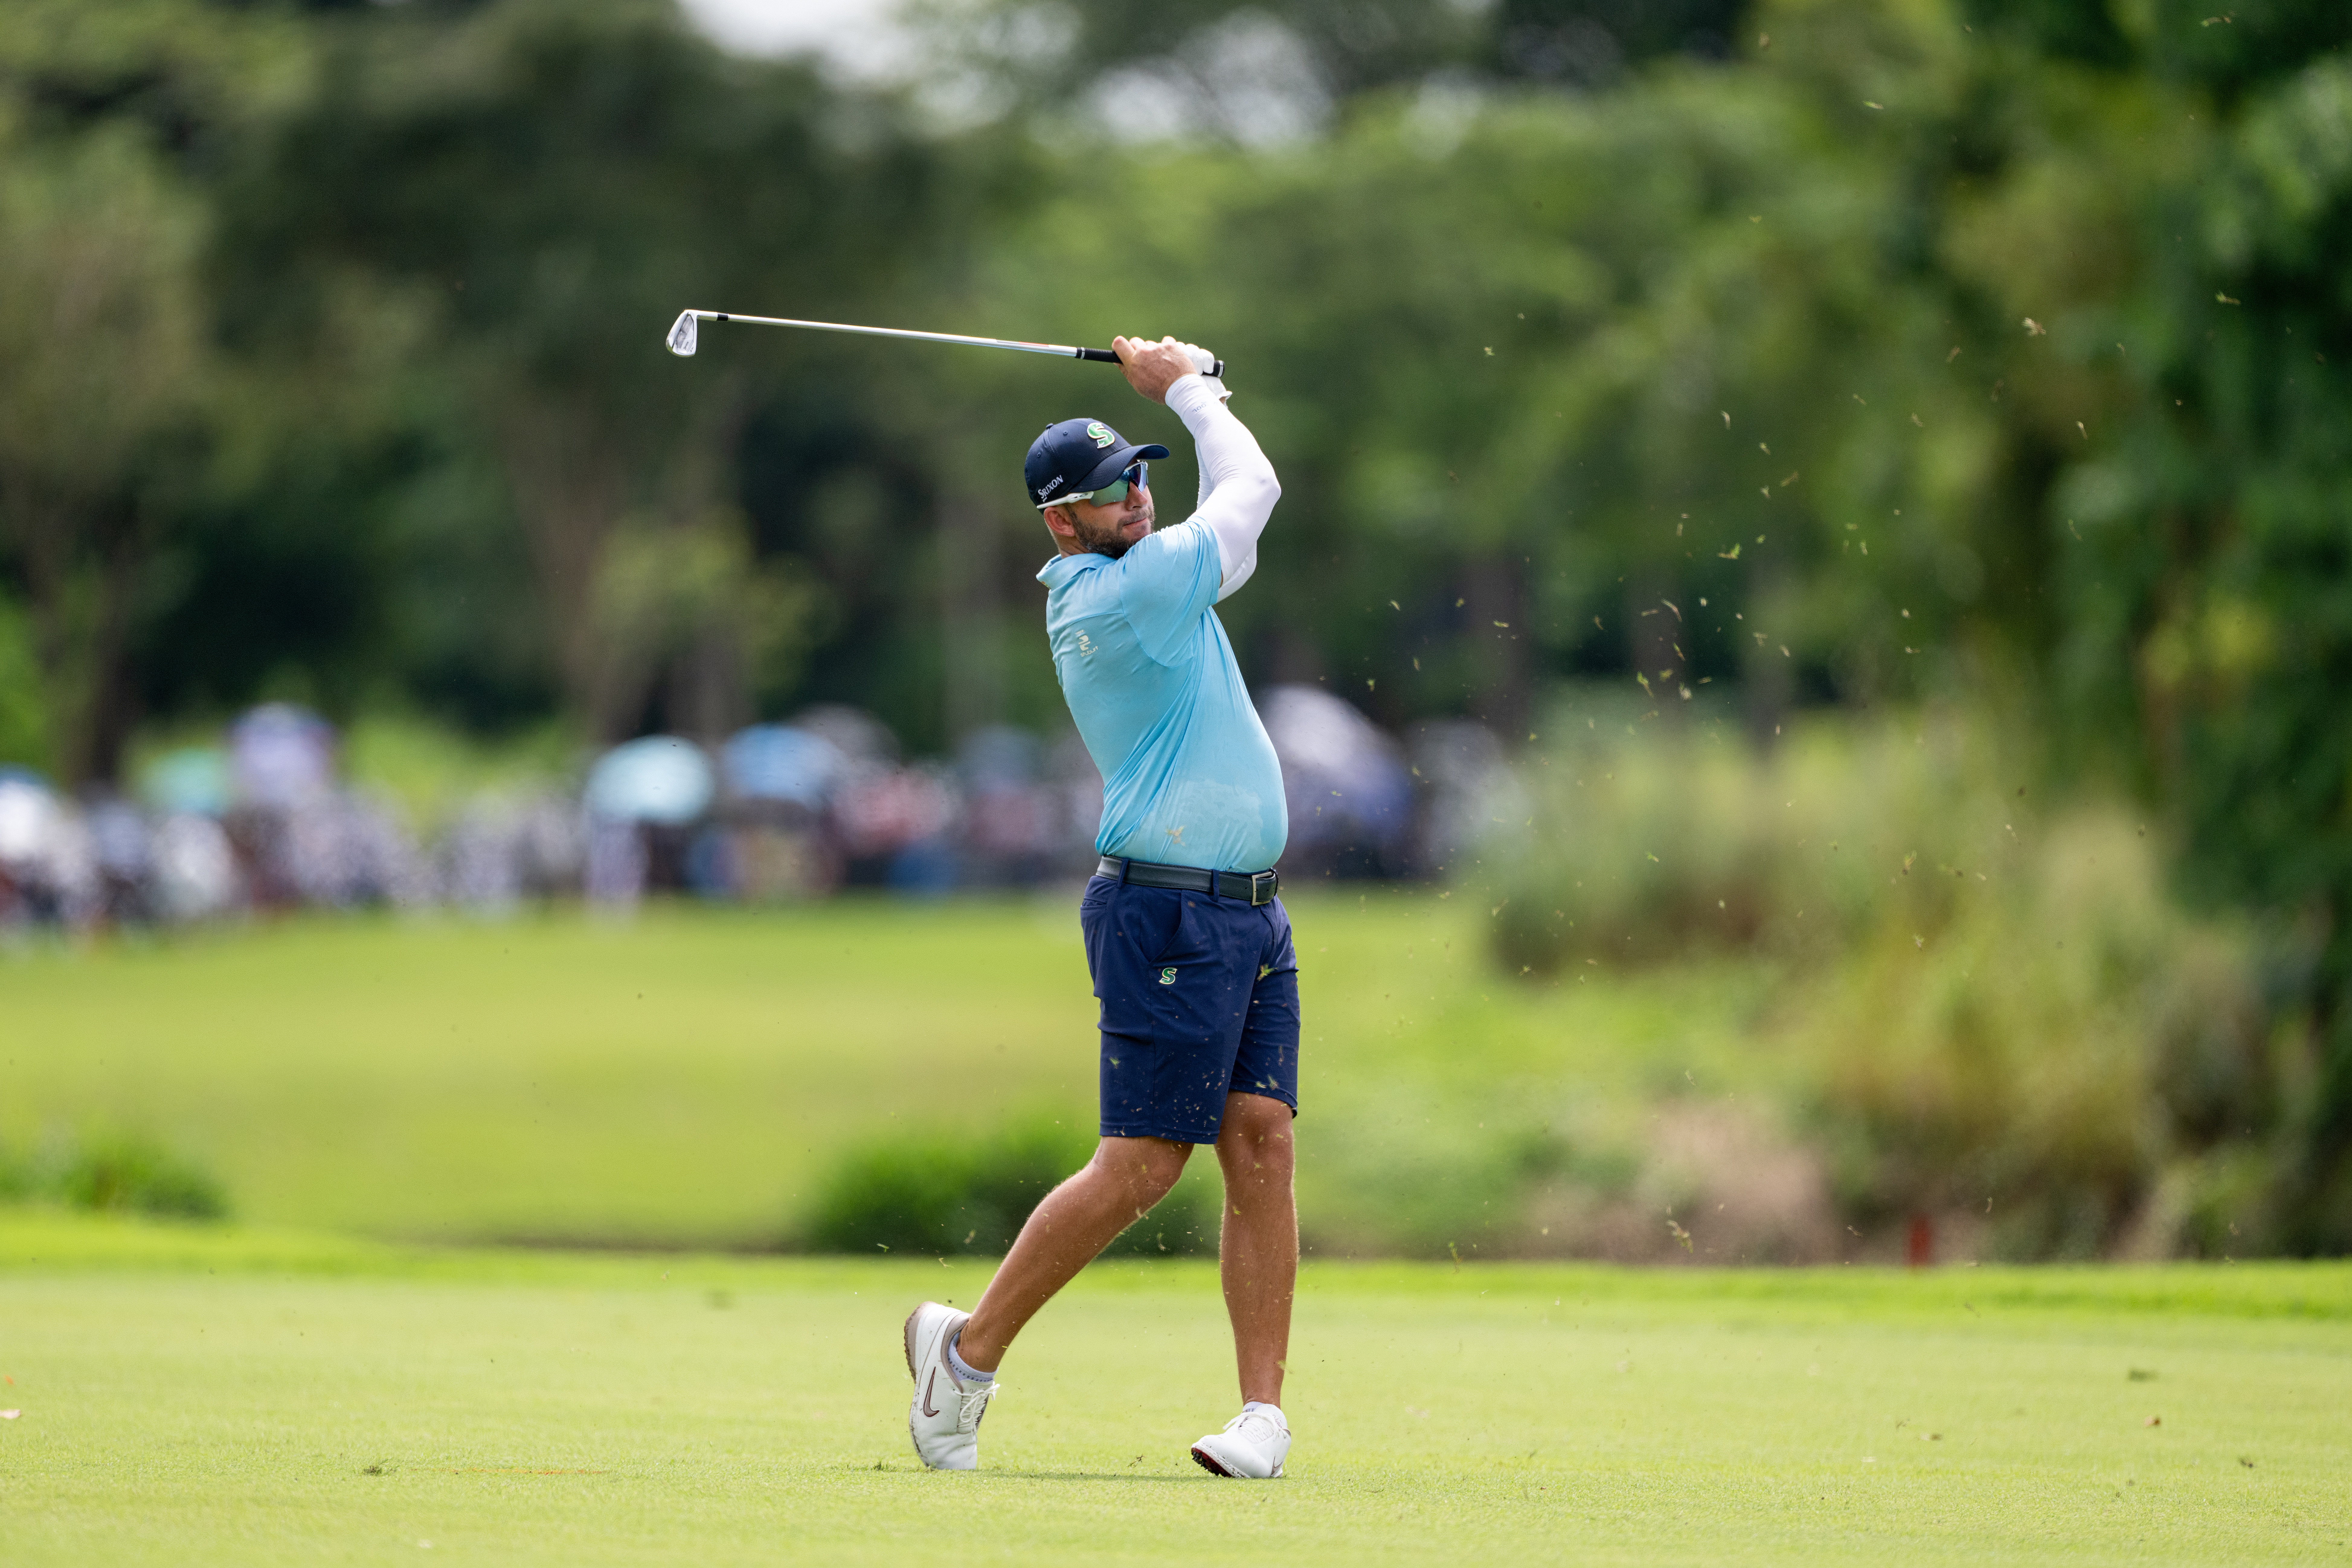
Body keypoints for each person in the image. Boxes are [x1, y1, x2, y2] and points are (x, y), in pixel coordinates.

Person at [903, 335, 1297, 1479]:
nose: (1136, 493)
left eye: (1140, 473)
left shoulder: (1155, 573)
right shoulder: (1123, 595)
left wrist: (1195, 398)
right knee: (1142, 1166)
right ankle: (964, 1359)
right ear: (1058, 524)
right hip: (1164, 914)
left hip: (1249, 912)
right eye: (1108, 489)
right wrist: (1188, 385)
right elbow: (1256, 489)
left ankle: (1259, 1416)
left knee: (1260, 1144)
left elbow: (1235, 523)